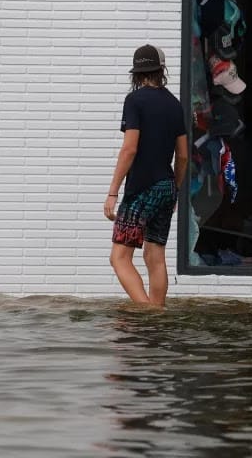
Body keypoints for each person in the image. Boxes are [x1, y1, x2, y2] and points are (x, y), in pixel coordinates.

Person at [104, 45, 189, 307]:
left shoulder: (135, 101)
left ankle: (149, 312)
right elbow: (183, 155)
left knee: (119, 257)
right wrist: (174, 189)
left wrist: (113, 192)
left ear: (137, 73)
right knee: (155, 255)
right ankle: (157, 311)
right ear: (161, 71)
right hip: (165, 188)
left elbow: (130, 148)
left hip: (141, 189)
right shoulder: (175, 104)